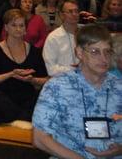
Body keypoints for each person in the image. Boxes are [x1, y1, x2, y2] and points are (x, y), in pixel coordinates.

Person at [33, 24, 121, 158]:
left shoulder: (118, 86)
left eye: (107, 52)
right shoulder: (57, 86)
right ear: (79, 52)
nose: (103, 59)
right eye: (94, 52)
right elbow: (40, 138)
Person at [0, 9, 48, 124]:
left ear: (25, 28)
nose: (18, 29)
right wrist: (11, 74)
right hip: (5, 98)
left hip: (27, 98)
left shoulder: (34, 52)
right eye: (14, 25)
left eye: (21, 25)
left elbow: (45, 80)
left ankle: (15, 117)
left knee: (46, 95)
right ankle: (24, 117)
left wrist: (32, 80)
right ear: (6, 27)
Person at [42, 0, 82, 76]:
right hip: (63, 81)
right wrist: (74, 69)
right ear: (61, 15)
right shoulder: (53, 38)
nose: (74, 14)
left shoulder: (86, 33)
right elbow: (51, 69)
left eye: (76, 11)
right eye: (70, 11)